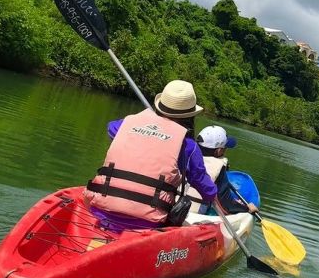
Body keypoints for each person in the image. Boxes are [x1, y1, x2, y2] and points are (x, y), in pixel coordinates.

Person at [84, 80, 220, 231]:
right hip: (147, 222)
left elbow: (111, 128)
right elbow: (204, 186)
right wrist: (213, 195)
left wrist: (145, 125)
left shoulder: (126, 124)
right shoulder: (188, 146)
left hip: (100, 209)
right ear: (190, 116)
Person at [185, 125, 258, 215]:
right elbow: (226, 206)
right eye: (225, 148)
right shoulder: (218, 166)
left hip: (175, 208)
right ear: (219, 151)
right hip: (194, 216)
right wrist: (247, 208)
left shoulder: (185, 152)